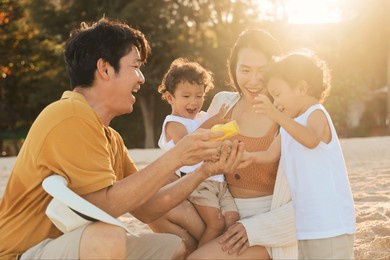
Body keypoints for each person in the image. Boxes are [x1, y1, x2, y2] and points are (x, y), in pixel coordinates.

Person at [0, 18, 246, 260]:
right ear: (105, 69)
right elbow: (104, 207)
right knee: (107, 237)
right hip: (23, 253)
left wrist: (203, 171)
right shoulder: (69, 115)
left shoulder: (109, 137)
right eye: (135, 67)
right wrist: (178, 155)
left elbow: (148, 208)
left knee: (174, 247)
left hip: (64, 247)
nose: (141, 78)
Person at [188, 29, 298, 260]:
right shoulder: (223, 102)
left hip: (266, 226)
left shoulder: (288, 115)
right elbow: (195, 153)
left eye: (263, 71)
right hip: (220, 212)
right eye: (245, 70)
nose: (254, 81)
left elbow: (309, 200)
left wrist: (254, 229)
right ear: (234, 69)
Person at [246, 49, 356, 259]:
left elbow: (311, 139)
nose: (275, 102)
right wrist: (245, 157)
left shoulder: (316, 113)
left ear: (302, 87)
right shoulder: (290, 124)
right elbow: (270, 154)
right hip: (307, 225)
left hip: (331, 225)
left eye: (277, 94)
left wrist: (274, 114)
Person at [149, 57, 239, 250]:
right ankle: (198, 256)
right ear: (170, 98)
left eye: (199, 96)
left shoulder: (202, 117)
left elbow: (216, 138)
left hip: (219, 182)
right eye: (186, 96)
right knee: (215, 224)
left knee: (232, 219)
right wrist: (213, 122)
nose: (194, 102)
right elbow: (189, 146)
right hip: (197, 183)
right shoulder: (174, 123)